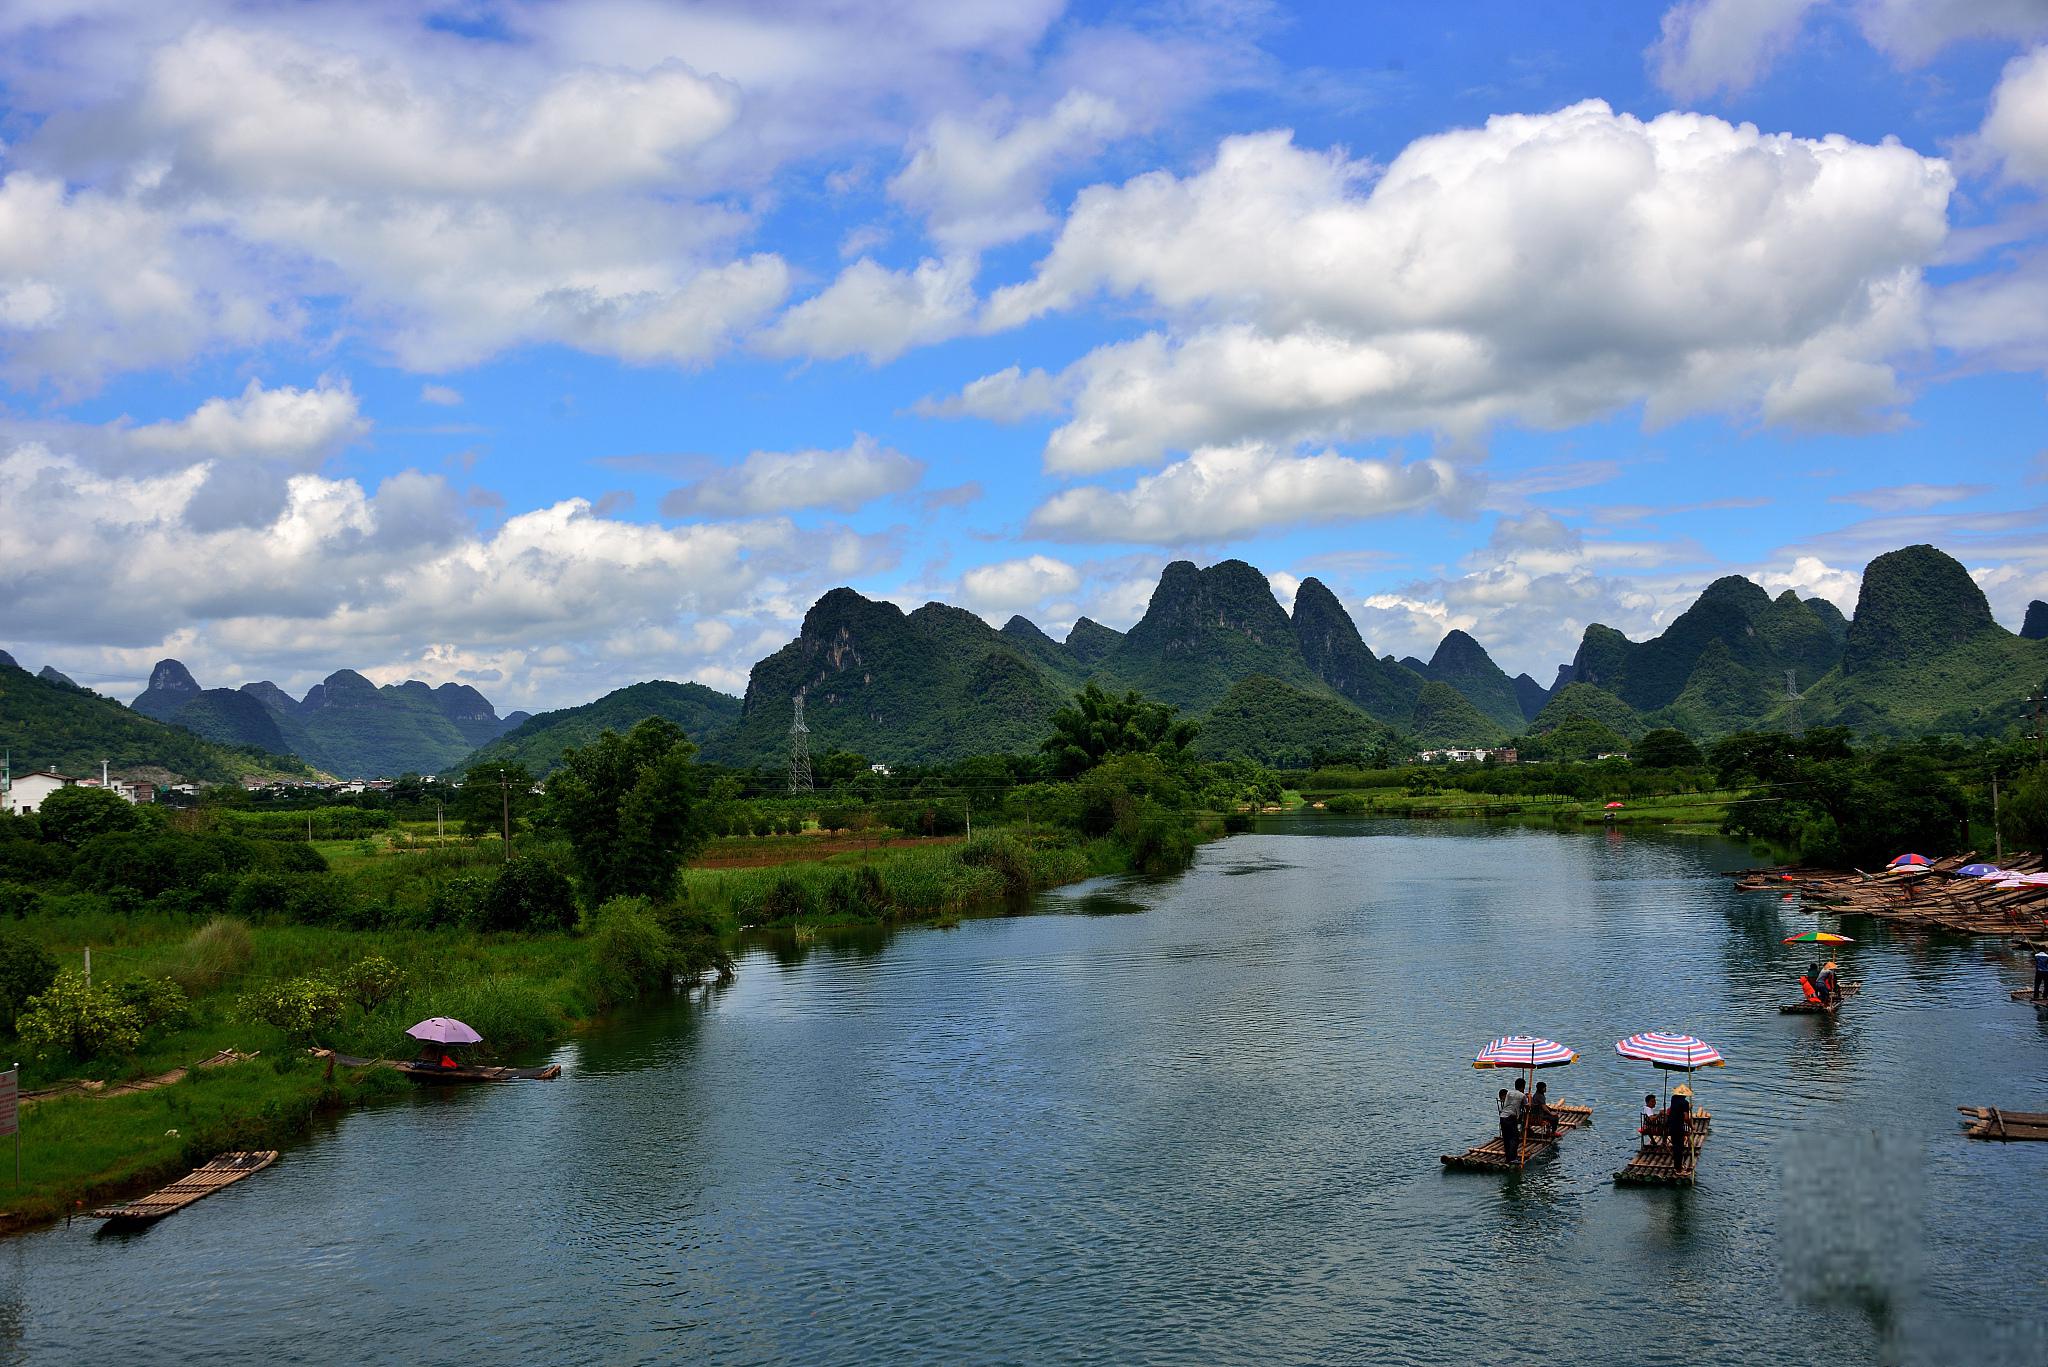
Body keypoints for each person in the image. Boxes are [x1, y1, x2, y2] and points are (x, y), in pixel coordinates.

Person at [1668, 1084, 1694, 1163]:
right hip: (1678, 1126)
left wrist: (1687, 1108)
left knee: (1675, 1145)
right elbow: (1686, 1118)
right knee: (1679, 1147)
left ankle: (1677, 1166)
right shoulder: (1685, 1103)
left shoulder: (1673, 1099)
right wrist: (1691, 1126)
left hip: (1671, 1125)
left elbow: (1677, 1108)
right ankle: (1678, 1168)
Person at [1497, 1087, 1520, 1158]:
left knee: (1507, 1138)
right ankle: (1512, 1157)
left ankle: (1508, 1157)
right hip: (1511, 1119)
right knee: (1513, 1138)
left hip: (1504, 1120)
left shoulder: (1505, 1103)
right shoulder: (1507, 1103)